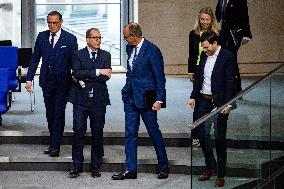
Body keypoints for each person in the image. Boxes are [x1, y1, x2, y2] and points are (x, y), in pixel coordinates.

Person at [111, 23, 169, 180]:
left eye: (125, 37)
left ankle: (164, 166)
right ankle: (131, 169)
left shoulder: (153, 50)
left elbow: (160, 77)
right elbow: (131, 72)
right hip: (130, 97)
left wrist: (160, 99)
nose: (124, 40)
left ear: (134, 36)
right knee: (130, 134)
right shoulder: (130, 48)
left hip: (147, 99)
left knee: (153, 132)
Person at [26, 11, 78, 157]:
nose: (52, 25)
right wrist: (29, 79)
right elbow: (35, 59)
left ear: (61, 22)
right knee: (50, 114)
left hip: (63, 83)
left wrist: (80, 77)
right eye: (49, 22)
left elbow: (74, 62)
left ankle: (55, 146)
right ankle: (53, 142)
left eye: (55, 22)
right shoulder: (42, 37)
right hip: (46, 81)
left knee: (58, 113)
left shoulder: (70, 39)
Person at [187, 30, 236, 187]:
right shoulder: (203, 55)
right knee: (201, 135)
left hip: (220, 103)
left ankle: (220, 174)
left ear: (215, 43)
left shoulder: (227, 57)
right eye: (204, 48)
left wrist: (228, 104)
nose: (205, 50)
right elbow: (199, 78)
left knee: (220, 139)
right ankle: (210, 166)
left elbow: (230, 83)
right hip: (203, 100)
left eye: (207, 47)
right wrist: (193, 96)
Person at [68, 28, 112, 178]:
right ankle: (76, 166)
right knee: (78, 132)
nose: (98, 40)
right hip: (80, 99)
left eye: (99, 38)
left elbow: (106, 77)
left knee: (97, 133)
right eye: (95, 38)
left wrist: (87, 75)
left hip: (99, 100)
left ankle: (95, 166)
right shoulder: (77, 54)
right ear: (87, 39)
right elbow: (76, 73)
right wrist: (98, 71)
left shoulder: (106, 55)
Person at [188, 7, 219, 147]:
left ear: (211, 19)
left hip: (213, 71)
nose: (205, 22)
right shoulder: (193, 33)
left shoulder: (217, 34)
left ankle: (209, 133)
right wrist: (190, 71)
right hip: (199, 71)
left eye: (207, 19)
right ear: (198, 19)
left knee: (213, 103)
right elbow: (191, 53)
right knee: (197, 103)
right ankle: (195, 135)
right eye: (202, 19)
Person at [215, 0, 252, 94]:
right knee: (226, 59)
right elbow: (218, 16)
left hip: (235, 34)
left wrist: (247, 34)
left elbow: (245, 16)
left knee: (231, 58)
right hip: (223, 34)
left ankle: (235, 90)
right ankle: (234, 89)